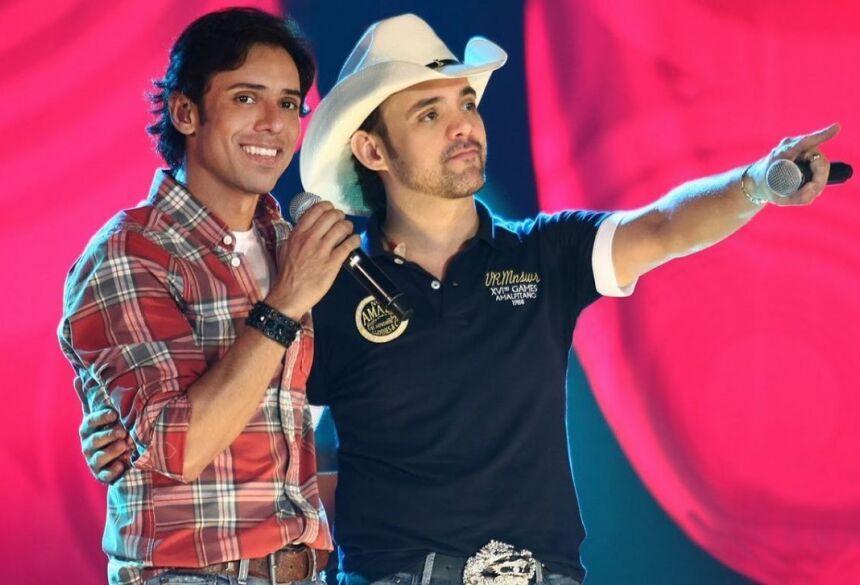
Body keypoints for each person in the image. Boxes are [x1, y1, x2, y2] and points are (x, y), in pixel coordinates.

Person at [81, 13, 839, 585]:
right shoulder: (318, 275)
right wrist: (129, 440)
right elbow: (250, 430)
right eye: (429, 112)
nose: (463, 126)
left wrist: (756, 183)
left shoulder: (546, 252)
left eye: (465, 102)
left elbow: (664, 224)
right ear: (370, 149)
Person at [59, 8, 360, 584]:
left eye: (289, 104)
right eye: (247, 98)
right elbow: (182, 447)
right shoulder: (130, 252)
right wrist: (285, 303)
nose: (273, 124)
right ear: (185, 112)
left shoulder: (289, 242)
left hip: (305, 569)